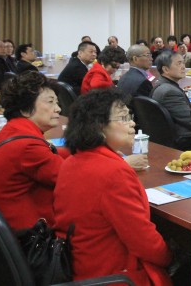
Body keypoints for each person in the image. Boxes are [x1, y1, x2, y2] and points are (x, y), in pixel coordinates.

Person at [54, 89, 172, 285]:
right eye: (123, 118)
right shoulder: (113, 172)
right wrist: (170, 256)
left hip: (81, 267)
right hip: (114, 274)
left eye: (130, 116)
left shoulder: (71, 162)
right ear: (100, 126)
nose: (132, 123)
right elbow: (143, 241)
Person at [0, 72, 68, 230]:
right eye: (50, 102)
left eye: (57, 102)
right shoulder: (28, 146)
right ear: (25, 109)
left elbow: (50, 154)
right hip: (31, 234)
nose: (58, 109)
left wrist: (78, 150)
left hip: (5, 226)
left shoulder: (12, 131)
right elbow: (71, 179)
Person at [152, 51, 191, 149]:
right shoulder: (170, 92)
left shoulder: (160, 85)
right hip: (185, 140)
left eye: (183, 63)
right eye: (179, 63)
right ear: (166, 69)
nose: (183, 67)